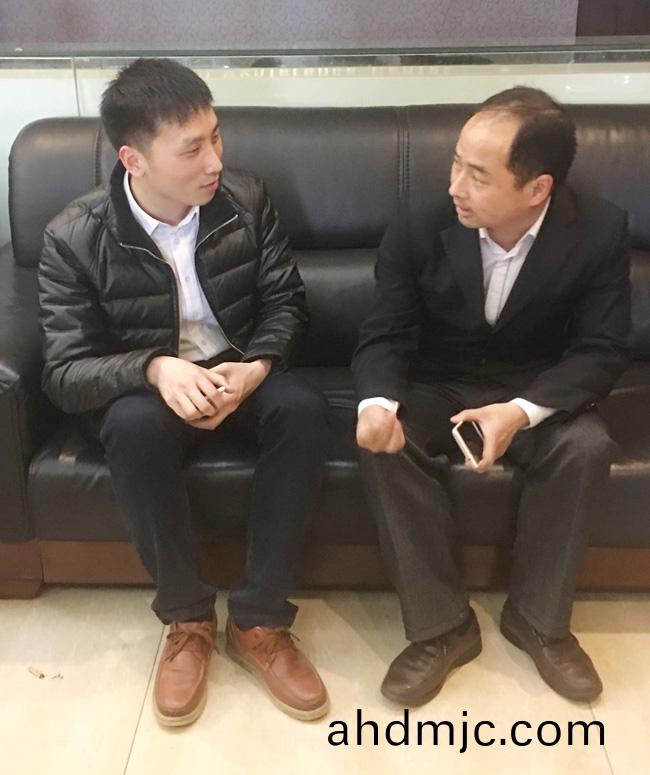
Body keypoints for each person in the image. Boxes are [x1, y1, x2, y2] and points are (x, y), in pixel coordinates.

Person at [39, 58, 329, 725]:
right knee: (131, 426)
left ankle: (259, 620)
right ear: (133, 159)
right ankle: (188, 618)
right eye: (192, 148)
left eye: (216, 136)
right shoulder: (73, 236)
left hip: (238, 373)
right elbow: (64, 372)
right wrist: (154, 368)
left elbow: (286, 302)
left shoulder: (245, 200)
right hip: (150, 389)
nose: (214, 161)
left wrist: (256, 366)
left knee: (303, 409)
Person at [353, 86, 630, 706]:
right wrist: (377, 405)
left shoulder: (599, 229)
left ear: (537, 188)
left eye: (478, 175)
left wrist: (520, 412)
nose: (455, 186)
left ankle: (538, 621)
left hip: (536, 385)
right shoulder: (419, 224)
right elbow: (385, 334)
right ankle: (442, 628)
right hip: (439, 381)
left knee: (586, 446)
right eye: (456, 163)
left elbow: (602, 349)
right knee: (384, 446)